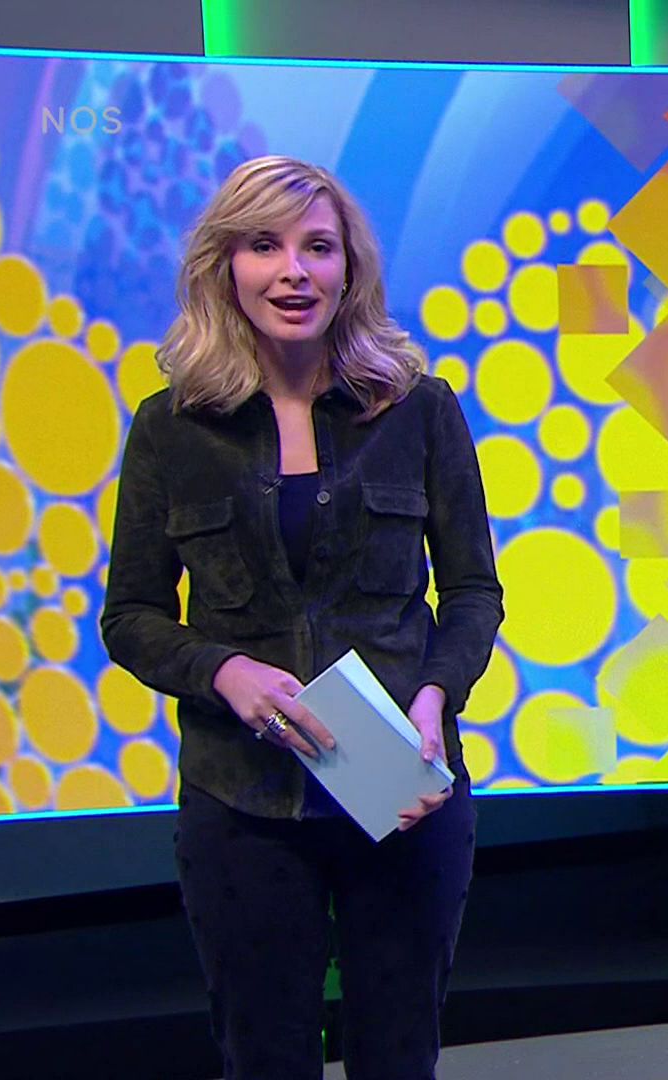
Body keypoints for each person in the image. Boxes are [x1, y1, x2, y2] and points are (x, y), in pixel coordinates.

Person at [100, 155, 503, 1080]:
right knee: (264, 1059)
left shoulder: (419, 411)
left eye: (318, 247)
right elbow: (131, 614)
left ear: (349, 267)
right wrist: (223, 672)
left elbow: (473, 593)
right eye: (264, 246)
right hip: (243, 804)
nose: (293, 271)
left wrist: (437, 697)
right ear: (225, 266)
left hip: (401, 792)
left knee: (397, 1056)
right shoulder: (171, 427)